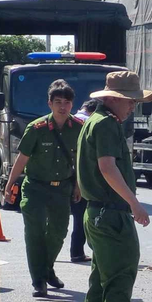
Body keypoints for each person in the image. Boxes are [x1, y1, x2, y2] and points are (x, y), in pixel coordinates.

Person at [76, 71, 152, 302]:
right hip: (111, 216)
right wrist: (134, 203)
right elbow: (107, 167)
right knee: (118, 287)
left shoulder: (92, 122)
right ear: (114, 99)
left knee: (101, 286)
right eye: (130, 101)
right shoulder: (108, 124)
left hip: (98, 214)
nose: (133, 107)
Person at [3, 80, 82, 297]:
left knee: (58, 232)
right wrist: (10, 184)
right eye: (58, 102)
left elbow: (80, 160)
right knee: (35, 234)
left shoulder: (78, 128)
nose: (62, 107)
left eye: (67, 102)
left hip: (62, 189)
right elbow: (22, 159)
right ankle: (39, 280)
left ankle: (47, 269)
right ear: (49, 103)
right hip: (35, 188)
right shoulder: (36, 128)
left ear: (72, 104)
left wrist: (78, 186)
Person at [68, 99, 100, 263]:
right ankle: (77, 252)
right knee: (81, 217)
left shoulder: (71, 120)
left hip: (65, 176)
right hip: (81, 179)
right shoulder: (89, 123)